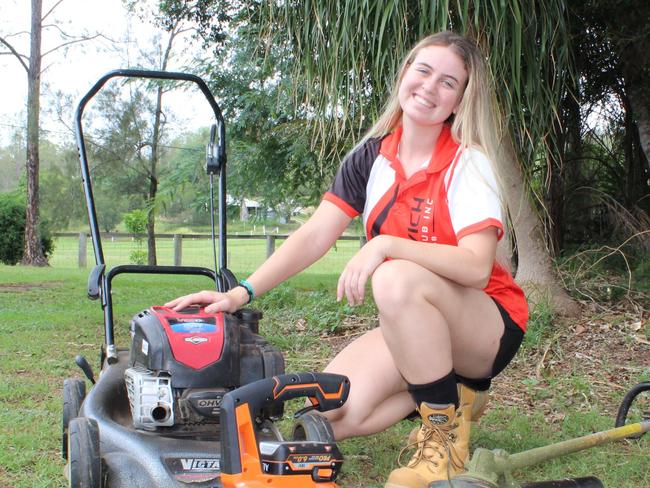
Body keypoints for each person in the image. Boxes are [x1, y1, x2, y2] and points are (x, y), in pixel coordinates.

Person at [166, 30, 528, 488]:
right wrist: (240, 293)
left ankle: (443, 442)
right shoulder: (371, 157)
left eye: (448, 82)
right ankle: (451, 394)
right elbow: (316, 233)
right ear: (404, 74)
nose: (430, 88)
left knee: (394, 278)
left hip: (485, 325)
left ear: (458, 100)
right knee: (327, 413)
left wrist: (385, 245)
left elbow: (477, 268)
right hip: (418, 324)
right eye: (423, 71)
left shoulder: (467, 161)